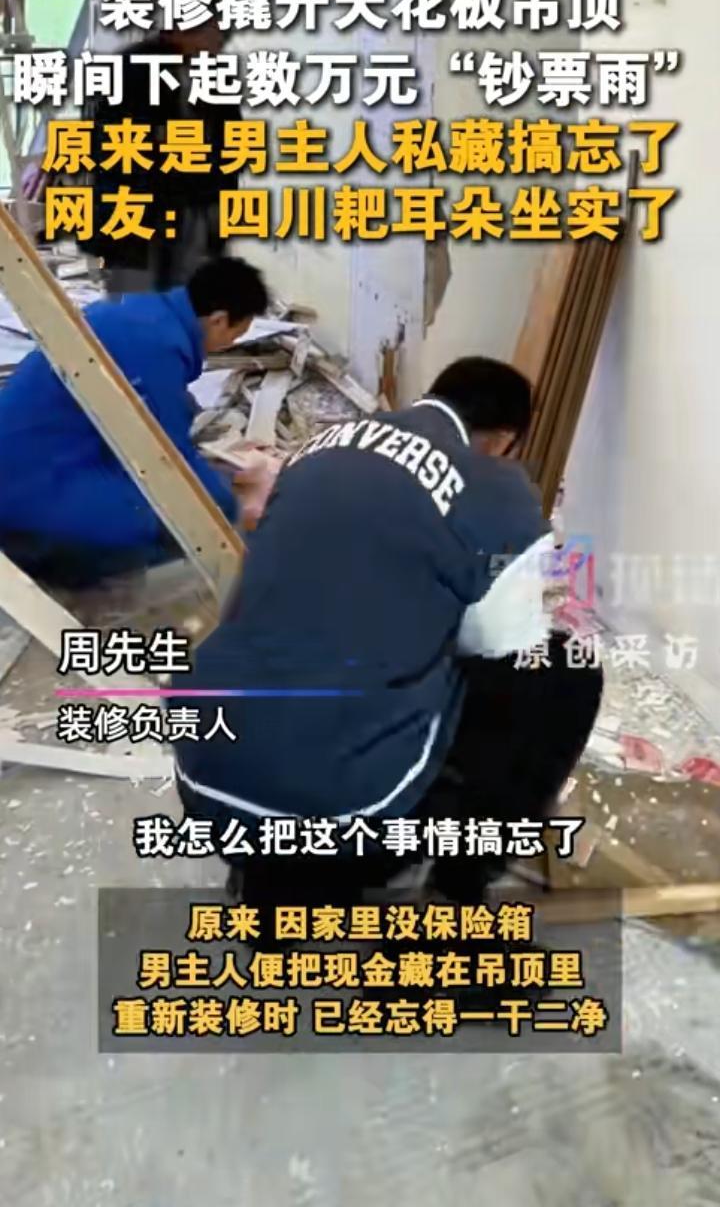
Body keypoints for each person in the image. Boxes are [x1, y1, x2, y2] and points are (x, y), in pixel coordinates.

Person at [174, 357, 603, 912]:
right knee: (562, 671)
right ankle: (456, 889)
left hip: (206, 780)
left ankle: (269, 870)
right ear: (503, 440)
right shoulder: (497, 491)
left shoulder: (318, 449)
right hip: (345, 826)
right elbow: (502, 648)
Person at [0, 257, 268, 587]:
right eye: (234, 335)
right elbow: (168, 464)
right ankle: (67, 575)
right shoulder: (156, 348)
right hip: (27, 493)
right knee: (181, 521)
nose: (229, 345)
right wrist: (230, 504)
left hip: (29, 454)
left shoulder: (142, 309)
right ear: (218, 320)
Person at [81, 21, 237, 297]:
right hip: (140, 200)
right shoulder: (131, 67)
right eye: (211, 32)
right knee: (134, 289)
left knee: (189, 288)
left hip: (195, 202)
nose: (219, 41)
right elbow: (109, 139)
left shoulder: (213, 73)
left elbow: (231, 136)